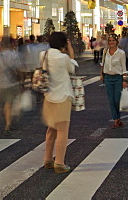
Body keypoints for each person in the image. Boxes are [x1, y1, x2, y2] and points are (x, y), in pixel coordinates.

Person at [41, 31, 77, 174]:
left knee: (51, 130)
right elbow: (72, 68)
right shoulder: (63, 58)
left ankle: (48, 159)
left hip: (48, 96)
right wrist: (70, 51)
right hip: (62, 96)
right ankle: (60, 162)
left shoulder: (43, 55)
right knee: (62, 131)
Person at [0, 40, 22, 134]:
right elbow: (19, 68)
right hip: (13, 82)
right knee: (13, 102)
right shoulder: (14, 55)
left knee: (7, 103)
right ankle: (8, 124)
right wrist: (21, 79)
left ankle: (8, 123)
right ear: (11, 45)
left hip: (3, 82)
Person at [101, 34, 128, 128]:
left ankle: (118, 118)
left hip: (118, 78)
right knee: (111, 100)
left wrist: (124, 80)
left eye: (113, 40)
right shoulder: (105, 51)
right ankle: (116, 120)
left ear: (117, 41)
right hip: (108, 78)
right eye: (110, 41)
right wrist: (102, 75)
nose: (111, 42)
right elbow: (102, 63)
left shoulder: (121, 53)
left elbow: (124, 67)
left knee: (117, 100)